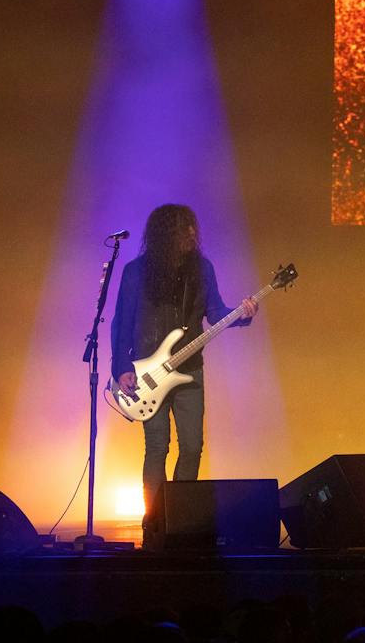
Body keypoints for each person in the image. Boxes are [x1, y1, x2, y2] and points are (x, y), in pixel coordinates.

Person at [109, 204, 258, 540]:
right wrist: (121, 369)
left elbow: (217, 311)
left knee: (192, 446)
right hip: (147, 370)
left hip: (190, 370)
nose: (192, 234)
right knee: (157, 446)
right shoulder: (136, 272)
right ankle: (154, 521)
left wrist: (243, 313)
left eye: (193, 227)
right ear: (165, 234)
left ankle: (179, 519)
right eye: (183, 229)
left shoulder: (202, 269)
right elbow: (121, 322)